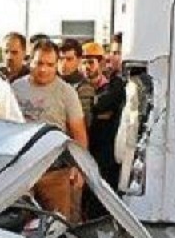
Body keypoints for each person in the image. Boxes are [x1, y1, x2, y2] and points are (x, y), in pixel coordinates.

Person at [11, 39, 88, 222]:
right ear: (30, 61)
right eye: (39, 63)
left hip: (56, 173)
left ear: (56, 65)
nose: (43, 69)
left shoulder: (67, 92)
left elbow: (79, 134)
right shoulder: (15, 88)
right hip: (21, 173)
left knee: (60, 226)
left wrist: (79, 167)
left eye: (50, 64)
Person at [81, 41, 126, 191]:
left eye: (90, 62)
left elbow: (101, 107)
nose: (86, 67)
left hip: (105, 155)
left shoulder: (115, 85)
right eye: (83, 62)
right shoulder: (75, 88)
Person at [59, 38, 95, 124]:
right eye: (60, 59)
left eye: (69, 59)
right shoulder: (53, 82)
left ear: (79, 60)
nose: (63, 64)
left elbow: (84, 120)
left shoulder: (85, 88)